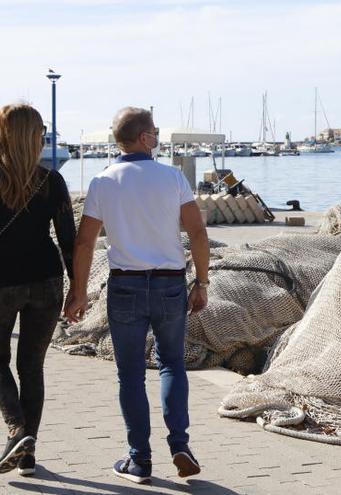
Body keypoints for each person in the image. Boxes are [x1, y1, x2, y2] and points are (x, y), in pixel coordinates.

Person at [64, 107, 210, 484]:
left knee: (129, 375)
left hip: (125, 285)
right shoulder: (172, 177)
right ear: (144, 138)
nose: (159, 137)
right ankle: (180, 443)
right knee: (172, 365)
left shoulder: (103, 181)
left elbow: (84, 242)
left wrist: (77, 292)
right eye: (155, 131)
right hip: (169, 283)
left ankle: (139, 460)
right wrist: (202, 283)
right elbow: (198, 234)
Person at [0, 103, 75, 476]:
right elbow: (68, 240)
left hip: (2, 283)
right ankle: (27, 454)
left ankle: (17, 431)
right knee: (32, 367)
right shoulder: (53, 181)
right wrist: (78, 287)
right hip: (47, 281)